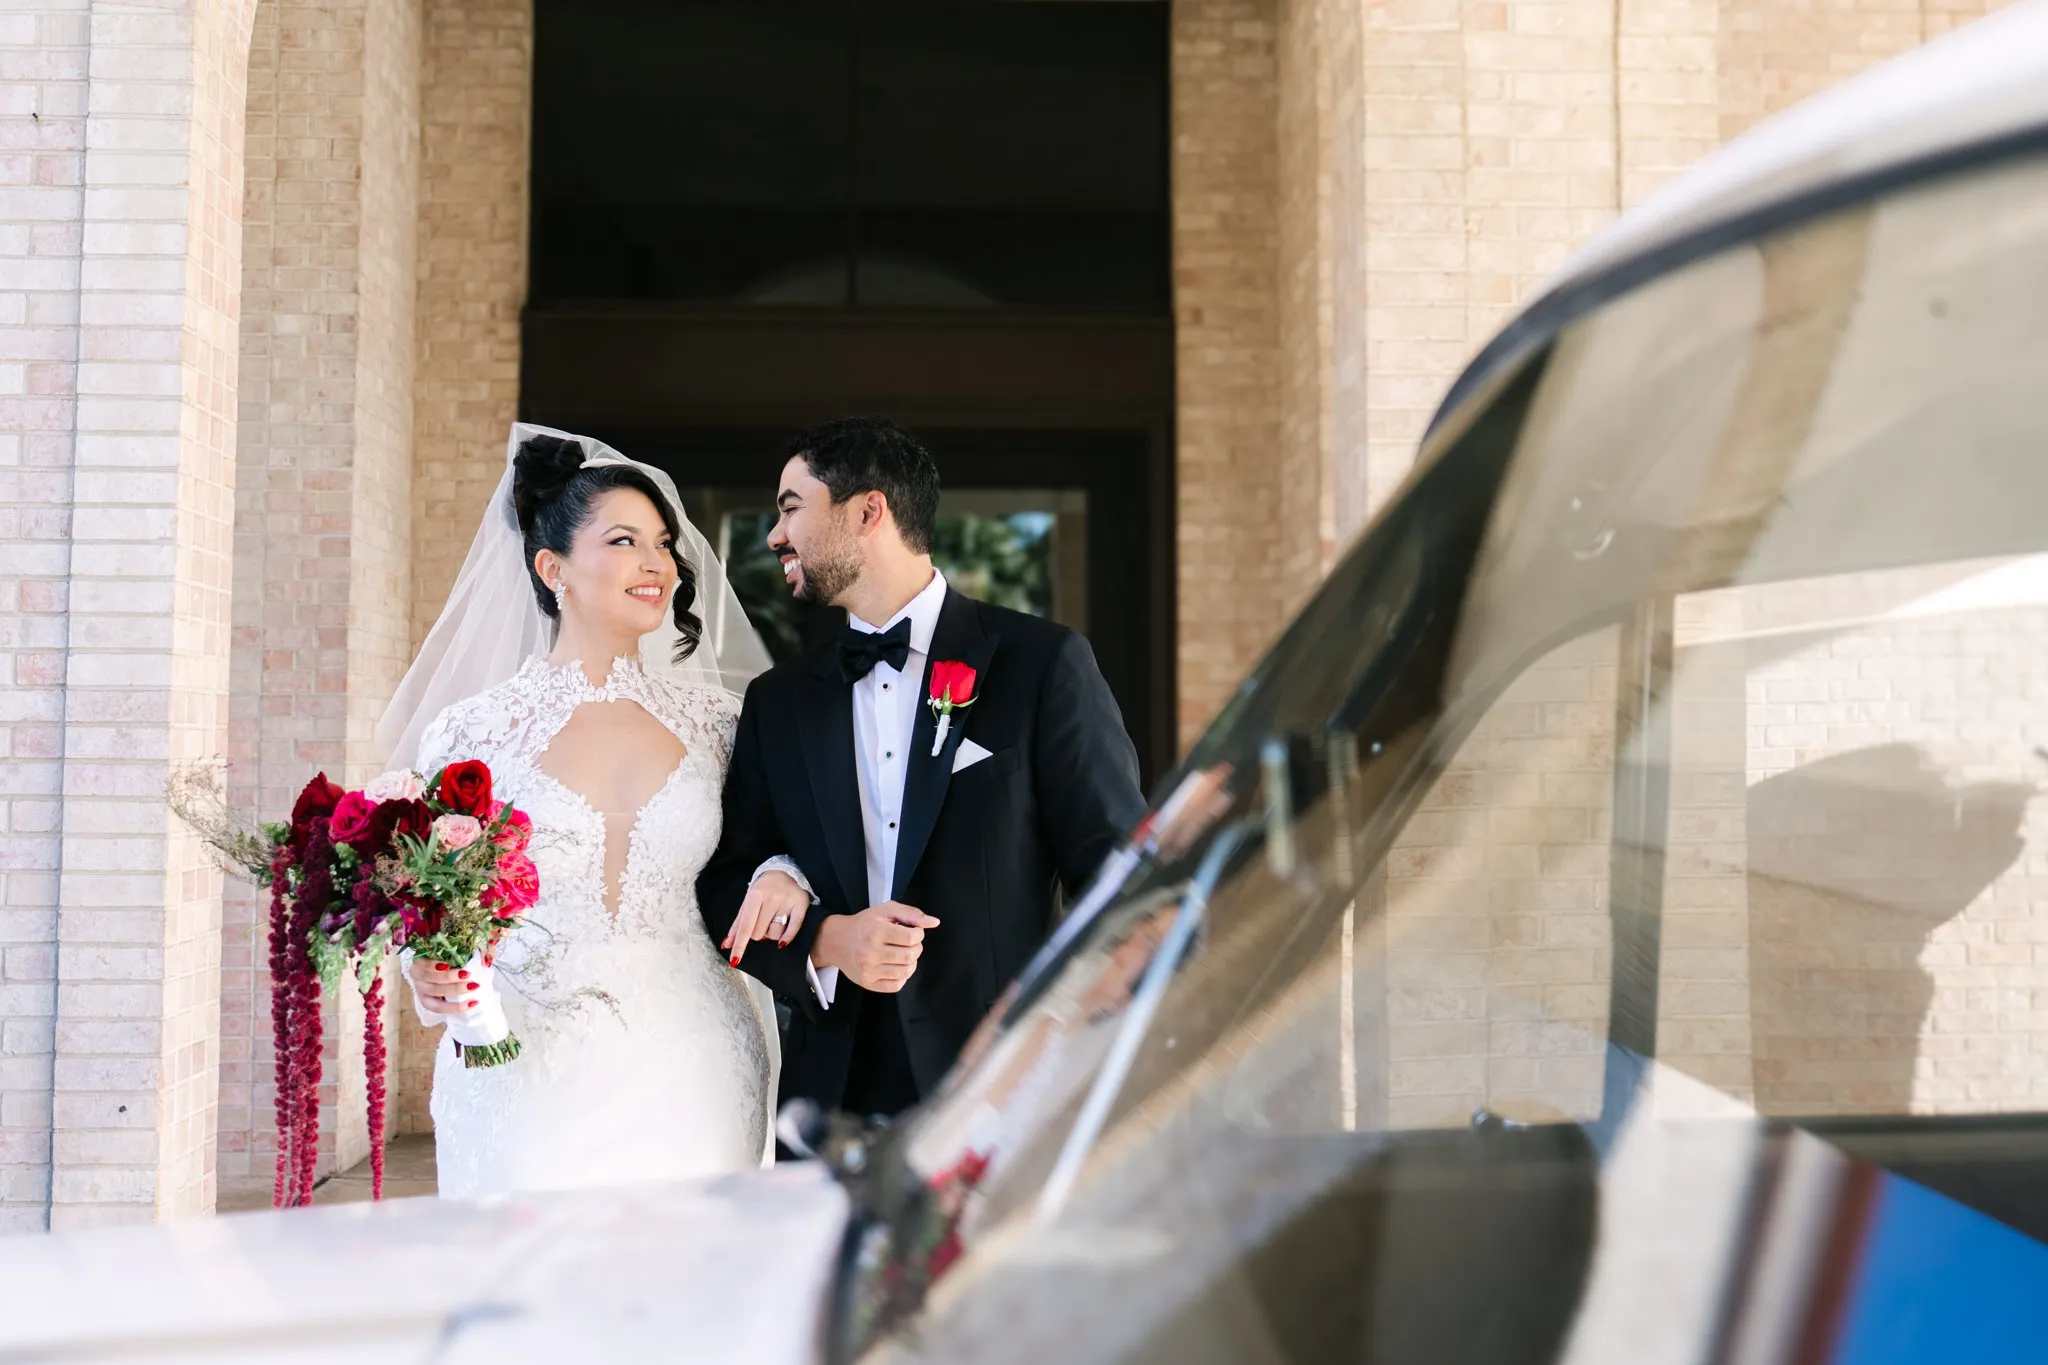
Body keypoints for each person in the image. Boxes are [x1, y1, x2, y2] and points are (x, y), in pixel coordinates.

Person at [697, 417, 1148, 1123]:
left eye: (791, 507)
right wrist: (824, 939)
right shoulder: (778, 703)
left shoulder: (1042, 664)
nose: (775, 536)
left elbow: (1119, 879)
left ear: (867, 510)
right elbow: (726, 884)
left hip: (1006, 1091)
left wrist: (1069, 1038)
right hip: (831, 1093)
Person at [374, 424, 784, 1198]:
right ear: (551, 566)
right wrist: (423, 966)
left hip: (697, 1062)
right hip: (525, 1066)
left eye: (663, 543)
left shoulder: (720, 724)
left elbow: (778, 845)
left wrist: (786, 870)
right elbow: (422, 897)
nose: (656, 562)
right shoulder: (473, 733)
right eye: (625, 540)